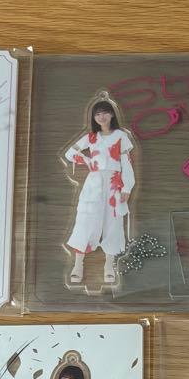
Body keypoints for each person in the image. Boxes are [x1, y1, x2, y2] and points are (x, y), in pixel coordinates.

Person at [65, 99, 135, 286]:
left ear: (112, 114)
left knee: (114, 221)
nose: (101, 117)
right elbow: (69, 153)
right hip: (94, 182)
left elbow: (126, 163)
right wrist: (88, 161)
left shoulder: (121, 136)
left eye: (105, 112)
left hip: (114, 183)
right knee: (86, 219)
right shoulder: (91, 137)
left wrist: (127, 187)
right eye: (97, 114)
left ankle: (109, 265)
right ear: (94, 117)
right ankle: (78, 263)